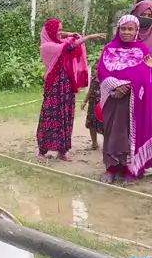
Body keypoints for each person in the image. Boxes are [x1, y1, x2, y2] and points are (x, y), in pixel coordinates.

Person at [37, 18, 105, 160]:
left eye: (61, 29)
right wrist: (89, 37)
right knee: (51, 116)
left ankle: (62, 150)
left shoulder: (58, 42)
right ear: (51, 32)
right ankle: (44, 149)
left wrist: (67, 33)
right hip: (54, 86)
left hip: (66, 85)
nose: (61, 33)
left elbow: (71, 39)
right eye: (58, 30)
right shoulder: (48, 46)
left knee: (65, 115)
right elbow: (71, 45)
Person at [98, 14, 152, 184]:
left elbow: (145, 73)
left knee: (130, 134)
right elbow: (102, 71)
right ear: (118, 29)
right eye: (123, 28)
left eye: (130, 29)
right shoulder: (108, 49)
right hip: (113, 98)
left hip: (134, 101)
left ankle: (130, 169)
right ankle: (111, 169)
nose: (126, 32)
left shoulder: (143, 50)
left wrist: (128, 85)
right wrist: (116, 85)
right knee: (112, 134)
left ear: (137, 31)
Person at [81, 61, 103, 150]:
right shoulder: (93, 79)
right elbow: (90, 90)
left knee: (104, 124)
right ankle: (94, 143)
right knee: (91, 123)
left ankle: (107, 145)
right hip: (92, 103)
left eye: (98, 69)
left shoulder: (106, 79)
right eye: (95, 69)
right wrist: (84, 101)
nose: (96, 71)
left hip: (102, 104)